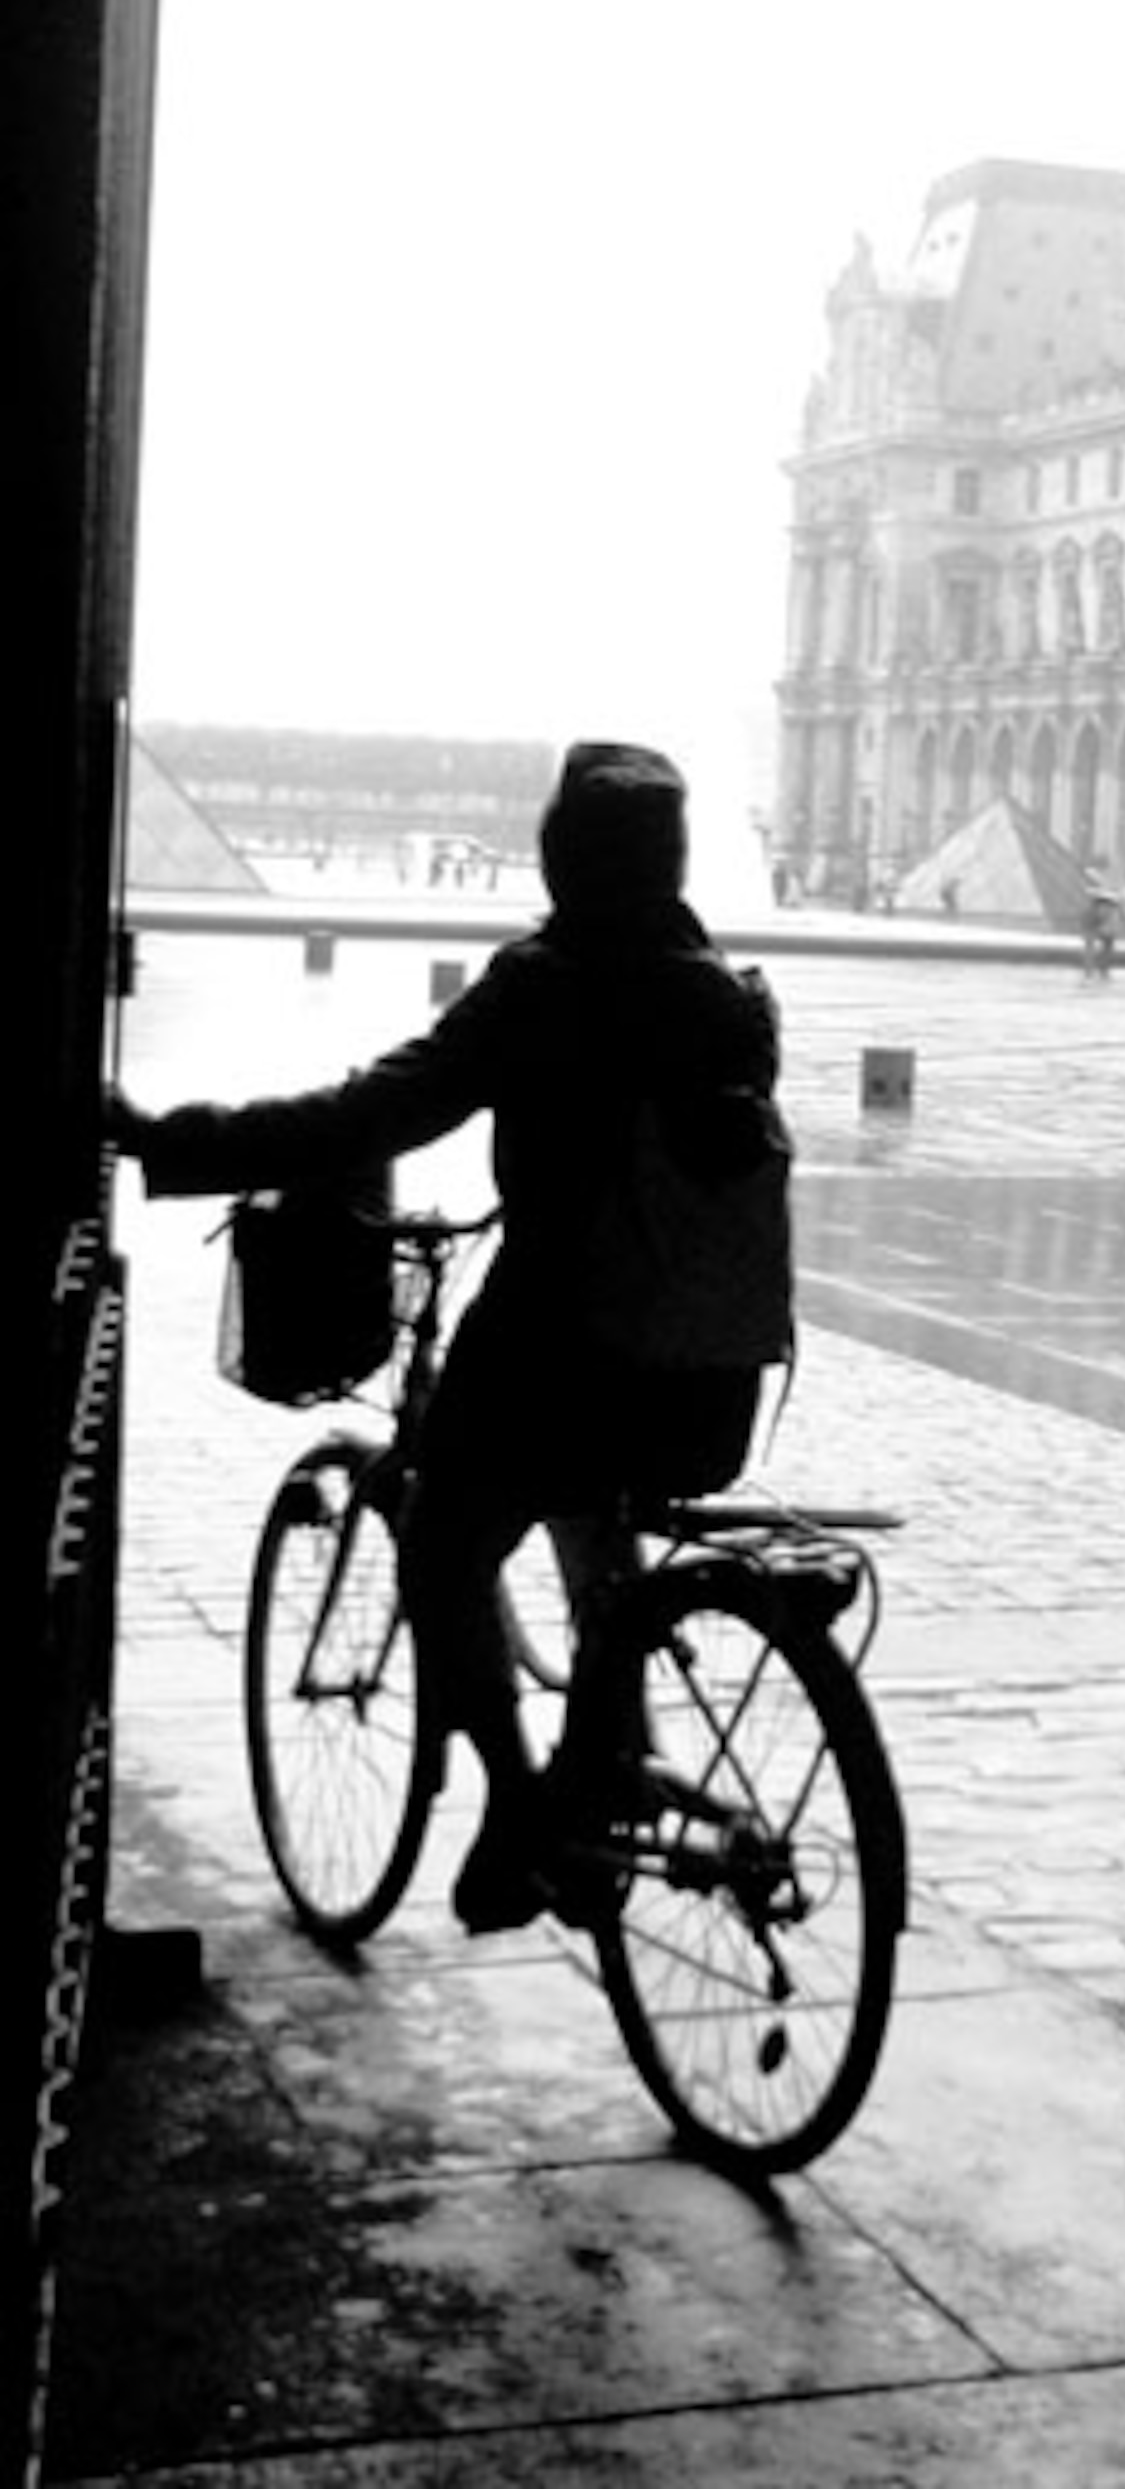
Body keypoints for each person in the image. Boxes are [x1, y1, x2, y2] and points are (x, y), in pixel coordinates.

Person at [109, 741, 789, 1934]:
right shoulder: (726, 998)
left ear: (559, 857)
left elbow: (371, 1110)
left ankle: (525, 1804)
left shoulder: (548, 981)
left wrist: (173, 1137)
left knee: (442, 1546)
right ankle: (601, 1766)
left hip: (561, 1351)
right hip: (714, 1378)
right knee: (597, 1519)